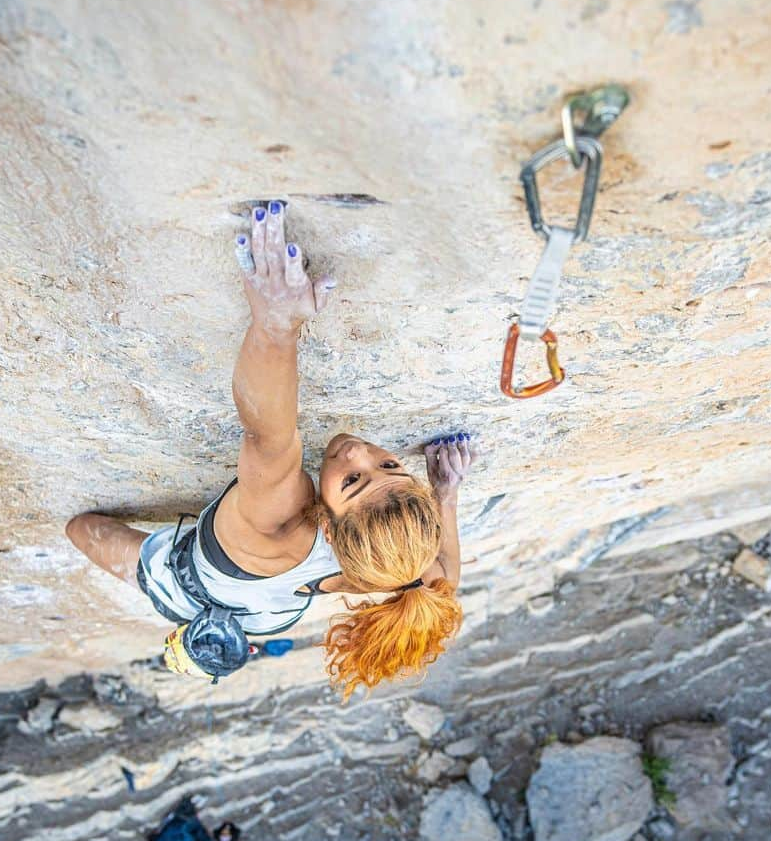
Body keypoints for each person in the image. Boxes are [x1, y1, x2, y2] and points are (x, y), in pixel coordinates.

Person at [66, 200, 474, 698]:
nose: (356, 451)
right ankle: (225, 642)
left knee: (83, 529)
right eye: (388, 464)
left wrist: (275, 325)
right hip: (269, 617)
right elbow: (443, 581)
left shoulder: (276, 521)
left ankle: (197, 639)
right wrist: (446, 494)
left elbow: (270, 434)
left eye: (351, 481)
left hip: (187, 585)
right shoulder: (394, 563)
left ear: (325, 522)